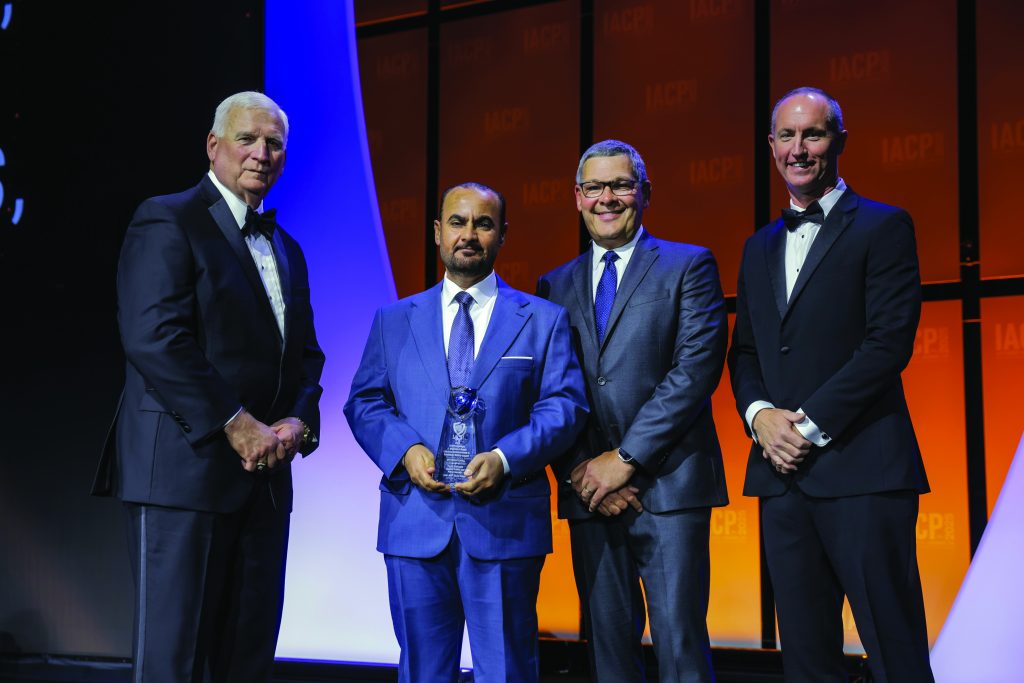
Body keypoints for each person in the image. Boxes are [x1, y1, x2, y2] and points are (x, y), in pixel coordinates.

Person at [92, 91, 325, 682]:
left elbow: (305, 355)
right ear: (213, 146)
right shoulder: (167, 218)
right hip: (183, 477)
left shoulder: (288, 248)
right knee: (174, 662)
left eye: (274, 143)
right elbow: (154, 338)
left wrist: (298, 422)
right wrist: (237, 424)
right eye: (247, 139)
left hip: (265, 481)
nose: (261, 153)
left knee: (246, 660)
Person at [728, 86, 934, 682]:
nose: (799, 149)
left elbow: (887, 345)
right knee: (806, 659)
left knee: (894, 649)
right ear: (771, 146)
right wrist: (761, 416)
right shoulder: (758, 245)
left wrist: (806, 427)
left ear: (838, 141)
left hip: (863, 470)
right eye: (786, 136)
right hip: (781, 479)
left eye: (812, 134)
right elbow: (745, 352)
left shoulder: (884, 225)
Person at [345, 182, 587, 683]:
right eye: (457, 222)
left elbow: (565, 406)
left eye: (483, 223)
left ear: (503, 235)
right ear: (438, 232)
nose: (469, 234)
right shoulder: (394, 319)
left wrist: (504, 458)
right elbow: (365, 402)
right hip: (415, 522)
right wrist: (406, 450)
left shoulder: (543, 319)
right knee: (423, 672)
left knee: (507, 672)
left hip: (504, 523)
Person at [537, 140, 729, 683]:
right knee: (609, 654)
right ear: (577, 197)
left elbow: (693, 373)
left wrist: (624, 460)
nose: (607, 198)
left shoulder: (688, 265)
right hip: (590, 494)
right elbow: (551, 389)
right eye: (594, 187)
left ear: (644, 193)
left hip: (668, 487)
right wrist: (582, 470)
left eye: (620, 185)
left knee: (680, 648)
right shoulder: (553, 284)